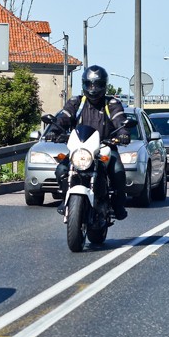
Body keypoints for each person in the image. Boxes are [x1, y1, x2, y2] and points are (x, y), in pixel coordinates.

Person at [46, 65, 130, 220]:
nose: (93, 89)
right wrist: (54, 130)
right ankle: (66, 199)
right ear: (84, 84)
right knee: (61, 170)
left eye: (96, 85)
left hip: (105, 147)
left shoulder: (111, 103)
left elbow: (119, 119)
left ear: (103, 85)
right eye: (89, 84)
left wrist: (123, 133)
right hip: (80, 148)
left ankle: (118, 205)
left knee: (118, 171)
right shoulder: (76, 103)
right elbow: (63, 117)